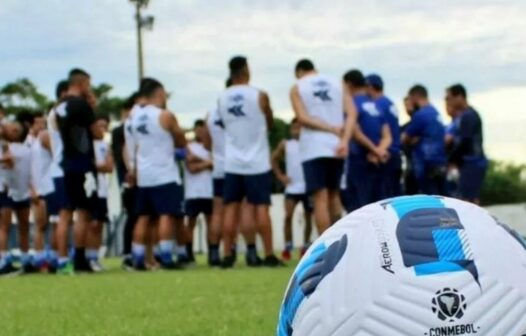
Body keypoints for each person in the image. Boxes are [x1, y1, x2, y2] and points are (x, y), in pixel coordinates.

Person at [217, 56, 281, 268]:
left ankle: (227, 254)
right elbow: (270, 123)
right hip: (257, 161)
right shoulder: (259, 95)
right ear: (246, 70)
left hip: (233, 161)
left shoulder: (222, 97)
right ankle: (269, 253)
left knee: (230, 208)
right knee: (261, 208)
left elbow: (226, 126)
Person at [290, 59, 356, 235]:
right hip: (336, 147)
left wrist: (329, 128)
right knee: (334, 196)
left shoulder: (298, 87)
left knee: (320, 198)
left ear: (299, 71)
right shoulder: (337, 83)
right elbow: (352, 113)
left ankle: (325, 245)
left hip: (313, 148)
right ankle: (340, 241)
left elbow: (302, 118)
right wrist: (344, 140)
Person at [127, 78, 187, 270]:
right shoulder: (165, 115)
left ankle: (137, 257)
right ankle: (166, 257)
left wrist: (133, 170)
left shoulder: (133, 117)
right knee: (166, 215)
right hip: (164, 173)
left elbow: (133, 146)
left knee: (143, 216)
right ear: (159, 93)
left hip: (144, 174)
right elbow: (181, 141)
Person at [54, 68, 98, 273]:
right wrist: (92, 106)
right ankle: (80, 259)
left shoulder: (59, 107)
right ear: (81, 84)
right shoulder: (81, 106)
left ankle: (62, 259)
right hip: (81, 163)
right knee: (82, 213)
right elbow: (96, 133)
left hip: (63, 163)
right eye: (88, 85)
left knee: (65, 214)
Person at [343, 69, 391, 211]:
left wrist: (374, 150)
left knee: (358, 209)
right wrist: (380, 151)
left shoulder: (352, 104)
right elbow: (387, 135)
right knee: (377, 207)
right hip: (378, 162)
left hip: (359, 161)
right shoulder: (376, 105)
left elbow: (355, 133)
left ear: (349, 85)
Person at [271, 118, 313, 261]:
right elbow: (273, 159)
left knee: (308, 217)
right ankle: (288, 246)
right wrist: (280, 176)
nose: (297, 131)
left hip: (308, 186)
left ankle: (306, 246)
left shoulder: (310, 143)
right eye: (294, 128)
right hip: (292, 187)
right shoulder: (286, 144)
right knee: (288, 216)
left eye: (299, 128)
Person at [445, 84, 487, 204]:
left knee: (469, 200)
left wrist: (451, 159)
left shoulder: (469, 116)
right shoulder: (463, 116)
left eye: (450, 98)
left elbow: (465, 141)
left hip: (472, 161)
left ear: (459, 97)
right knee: (467, 197)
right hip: (469, 162)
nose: (449, 102)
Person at [401, 84, 447, 195]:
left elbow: (405, 138)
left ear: (415, 97)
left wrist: (413, 139)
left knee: (429, 198)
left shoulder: (420, 115)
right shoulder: (436, 113)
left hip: (426, 164)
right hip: (440, 162)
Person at [112, 93, 139, 269]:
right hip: (128, 179)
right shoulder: (120, 131)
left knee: (143, 216)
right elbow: (121, 155)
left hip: (141, 178)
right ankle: (128, 253)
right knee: (132, 216)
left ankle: (141, 252)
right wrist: (129, 173)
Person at [183, 119, 214, 264]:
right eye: (198, 129)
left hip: (210, 192)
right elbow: (191, 168)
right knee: (190, 223)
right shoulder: (189, 146)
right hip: (193, 192)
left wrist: (200, 161)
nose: (200, 132)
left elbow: (216, 164)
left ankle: (212, 253)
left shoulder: (212, 147)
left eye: (203, 129)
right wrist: (208, 163)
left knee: (211, 224)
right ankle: (189, 253)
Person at [27, 112, 56, 272]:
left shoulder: (45, 140)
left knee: (52, 224)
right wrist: (32, 189)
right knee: (40, 224)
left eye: (43, 123)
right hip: (38, 189)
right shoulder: (29, 143)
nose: (41, 126)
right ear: (31, 125)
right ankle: (40, 261)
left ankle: (51, 258)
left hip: (49, 187)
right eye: (38, 123)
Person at [366, 73, 401, 198]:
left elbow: (380, 131)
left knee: (384, 199)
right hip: (396, 154)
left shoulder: (377, 105)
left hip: (385, 155)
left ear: (370, 87)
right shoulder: (390, 103)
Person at [4, 121, 33, 272]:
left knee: (17, 227)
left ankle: (20, 259)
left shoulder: (24, 150)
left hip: (16, 191)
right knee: (14, 227)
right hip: (13, 191)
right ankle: (16, 259)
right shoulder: (25, 150)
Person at [86, 115, 113, 272]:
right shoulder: (87, 146)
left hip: (103, 188)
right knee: (92, 223)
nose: (102, 129)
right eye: (99, 126)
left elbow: (109, 167)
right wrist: (100, 165)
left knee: (100, 223)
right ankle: (87, 257)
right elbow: (91, 166)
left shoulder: (104, 145)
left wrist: (101, 165)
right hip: (91, 188)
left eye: (105, 126)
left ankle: (95, 256)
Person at [400, 97, 419, 196]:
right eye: (406, 106)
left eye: (409, 105)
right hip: (409, 163)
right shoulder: (405, 127)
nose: (407, 109)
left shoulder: (421, 123)